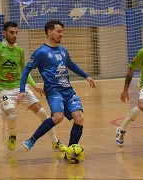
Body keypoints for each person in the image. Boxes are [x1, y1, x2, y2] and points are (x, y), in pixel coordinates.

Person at [0, 21, 67, 152]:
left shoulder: (19, 51)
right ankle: (12, 134)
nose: (14, 35)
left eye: (16, 33)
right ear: (4, 33)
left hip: (20, 87)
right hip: (4, 89)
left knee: (42, 113)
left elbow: (24, 70)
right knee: (12, 116)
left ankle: (55, 142)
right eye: (11, 32)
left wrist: (33, 86)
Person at [18, 20, 96, 156]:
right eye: (59, 31)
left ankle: (71, 152)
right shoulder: (41, 52)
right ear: (50, 32)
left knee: (79, 118)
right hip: (53, 91)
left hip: (68, 91)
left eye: (62, 32)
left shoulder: (63, 50)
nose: (62, 34)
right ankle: (31, 140)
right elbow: (26, 70)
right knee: (58, 117)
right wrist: (22, 90)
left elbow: (71, 65)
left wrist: (86, 76)